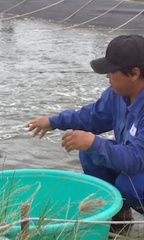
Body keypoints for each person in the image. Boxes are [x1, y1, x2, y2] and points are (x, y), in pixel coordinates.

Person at [26, 34, 144, 224]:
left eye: (112, 71)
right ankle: (120, 217)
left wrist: (94, 142)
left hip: (139, 166)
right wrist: (53, 121)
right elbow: (92, 116)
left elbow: (136, 159)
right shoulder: (119, 95)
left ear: (134, 73)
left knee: (129, 184)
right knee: (90, 155)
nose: (107, 76)